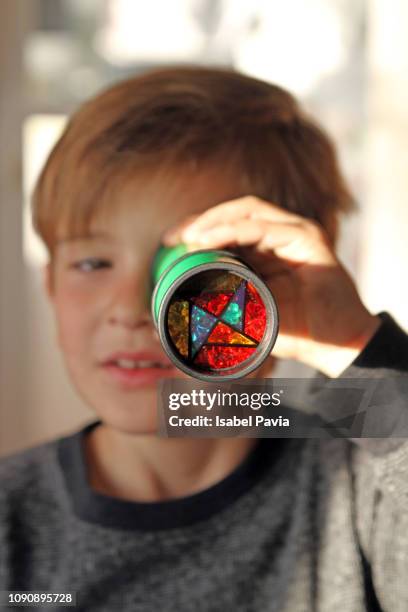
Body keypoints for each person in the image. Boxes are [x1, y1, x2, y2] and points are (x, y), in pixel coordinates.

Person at [0, 66, 407, 611]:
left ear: (276, 277)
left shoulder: (362, 483)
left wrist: (352, 344)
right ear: (49, 282)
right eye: (93, 261)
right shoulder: (13, 526)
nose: (130, 310)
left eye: (184, 276)